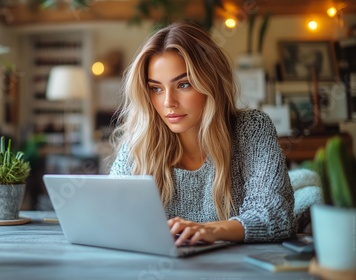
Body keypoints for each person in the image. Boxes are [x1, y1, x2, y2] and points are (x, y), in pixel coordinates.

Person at [108, 22, 296, 246]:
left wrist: (210, 231)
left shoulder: (251, 128)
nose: (168, 102)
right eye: (156, 88)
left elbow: (275, 215)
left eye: (184, 84)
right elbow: (112, 216)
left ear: (211, 82)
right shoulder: (140, 141)